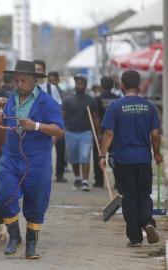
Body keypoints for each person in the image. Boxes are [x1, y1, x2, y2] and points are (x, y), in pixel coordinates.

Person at [0, 60, 64, 259]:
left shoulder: (47, 102)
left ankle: (31, 243)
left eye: (23, 80)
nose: (18, 84)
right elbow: (2, 119)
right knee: (4, 196)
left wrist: (35, 126)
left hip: (37, 161)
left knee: (36, 201)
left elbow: (59, 130)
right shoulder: (12, 99)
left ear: (34, 81)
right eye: (16, 80)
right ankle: (14, 235)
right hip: (11, 158)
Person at [99, 70, 162, 247]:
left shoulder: (115, 106)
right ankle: (148, 222)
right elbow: (155, 135)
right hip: (143, 159)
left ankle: (135, 238)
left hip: (123, 160)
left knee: (129, 198)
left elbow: (109, 133)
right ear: (140, 85)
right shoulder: (149, 107)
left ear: (122, 86)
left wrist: (102, 155)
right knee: (144, 195)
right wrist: (157, 153)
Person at [63, 74, 100, 192]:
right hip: (70, 133)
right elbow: (62, 116)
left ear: (85, 85)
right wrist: (60, 129)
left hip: (86, 133)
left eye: (81, 83)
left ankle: (84, 181)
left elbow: (95, 118)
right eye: (77, 83)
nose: (79, 85)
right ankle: (77, 178)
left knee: (84, 157)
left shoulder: (90, 100)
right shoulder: (68, 100)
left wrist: (98, 133)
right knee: (74, 158)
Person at [93, 76, 119, 188]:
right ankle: (118, 182)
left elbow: (96, 118)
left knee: (99, 156)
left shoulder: (97, 99)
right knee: (115, 157)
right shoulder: (118, 98)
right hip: (115, 132)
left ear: (101, 85)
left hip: (102, 132)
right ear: (112, 85)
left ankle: (99, 181)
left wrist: (98, 134)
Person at [47, 71, 69, 183]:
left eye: (54, 80)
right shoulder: (44, 91)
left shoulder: (64, 94)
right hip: (46, 126)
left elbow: (64, 110)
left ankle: (59, 174)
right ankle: (46, 174)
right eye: (50, 80)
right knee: (45, 151)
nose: (52, 82)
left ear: (58, 80)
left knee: (60, 152)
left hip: (60, 126)